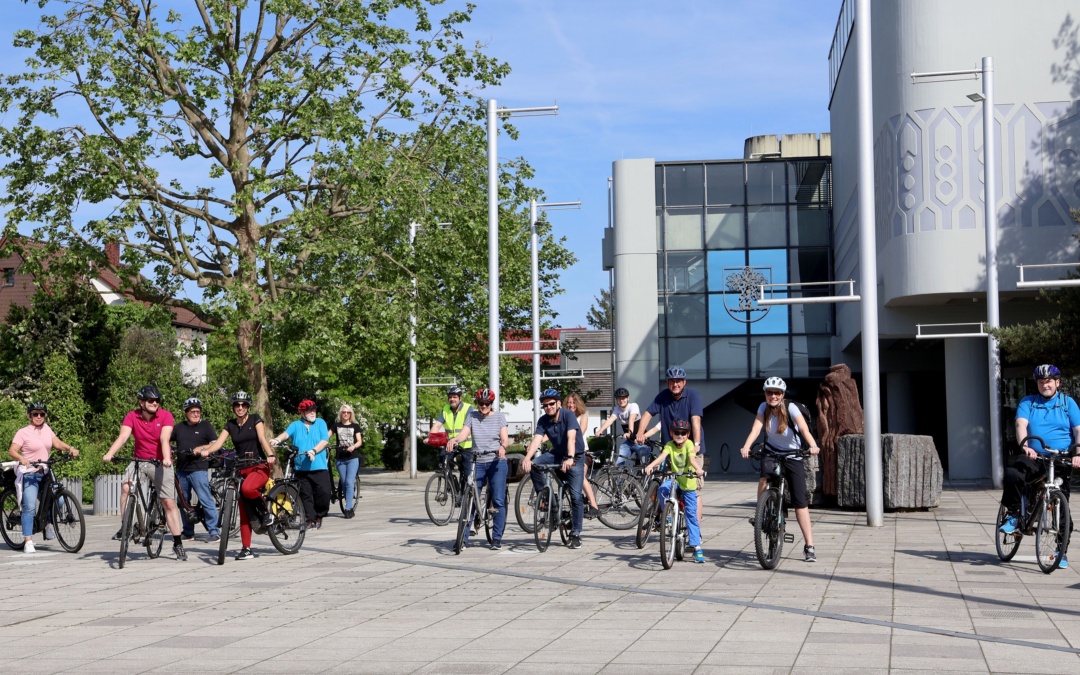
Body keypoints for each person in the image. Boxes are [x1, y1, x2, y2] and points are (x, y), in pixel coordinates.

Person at [999, 364, 1080, 568]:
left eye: (1049, 381)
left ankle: (1061, 551)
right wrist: (1025, 445)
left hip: (1060, 458)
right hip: (1034, 456)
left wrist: (1078, 453)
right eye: (1042, 382)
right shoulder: (1028, 402)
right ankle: (1013, 514)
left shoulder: (1067, 403)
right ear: (1037, 384)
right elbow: (1021, 425)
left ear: (1057, 383)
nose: (1046, 385)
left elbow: (1078, 430)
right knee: (1013, 474)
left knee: (1063, 507)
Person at [739, 376, 820, 563]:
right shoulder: (763, 407)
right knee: (764, 479)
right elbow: (755, 430)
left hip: (793, 454)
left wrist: (813, 446)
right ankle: (761, 513)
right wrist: (746, 446)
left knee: (800, 502)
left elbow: (804, 429)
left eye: (776, 393)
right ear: (765, 394)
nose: (773, 396)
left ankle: (809, 546)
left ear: (782, 394)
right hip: (772, 452)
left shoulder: (790, 408)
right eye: (769, 393)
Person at [103, 385, 187, 561]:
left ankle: (178, 542)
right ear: (142, 402)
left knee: (168, 502)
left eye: (157, 400)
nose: (154, 403)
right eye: (150, 400)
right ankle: (126, 526)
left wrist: (166, 459)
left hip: (160, 462)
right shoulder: (132, 416)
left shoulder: (165, 416)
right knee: (126, 487)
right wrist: (110, 453)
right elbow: (123, 437)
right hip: (139, 461)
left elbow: (164, 439)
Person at [199, 391, 276, 560]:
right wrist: (205, 451)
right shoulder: (230, 425)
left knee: (248, 489)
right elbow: (218, 443)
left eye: (243, 405)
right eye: (237, 405)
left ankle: (265, 513)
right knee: (244, 508)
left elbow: (262, 439)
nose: (240, 408)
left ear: (248, 407)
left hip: (258, 466)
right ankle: (246, 549)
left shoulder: (255, 419)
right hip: (241, 469)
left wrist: (270, 454)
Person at [7, 402, 79, 553]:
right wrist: (22, 459)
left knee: (58, 499)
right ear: (30, 415)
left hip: (45, 471)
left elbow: (56, 443)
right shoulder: (23, 432)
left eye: (42, 414)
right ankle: (28, 540)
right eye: (35, 414)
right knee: (30, 505)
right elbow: (12, 450)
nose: (38, 417)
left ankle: (46, 523)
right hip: (30, 473)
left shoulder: (47, 429)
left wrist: (70, 448)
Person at [636, 366, 706, 521]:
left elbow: (696, 419)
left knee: (693, 491)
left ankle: (695, 530)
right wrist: (640, 432)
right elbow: (648, 413)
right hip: (670, 450)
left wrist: (696, 442)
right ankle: (667, 520)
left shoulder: (692, 395)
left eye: (678, 381)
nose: (675, 384)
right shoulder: (663, 396)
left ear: (684, 382)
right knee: (668, 485)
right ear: (667, 383)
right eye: (672, 381)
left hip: (691, 450)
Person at [522, 388, 585, 549]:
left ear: (558, 403)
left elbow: (571, 437)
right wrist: (528, 458)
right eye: (545, 405)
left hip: (575, 456)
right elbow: (537, 440)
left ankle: (576, 533)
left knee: (576, 496)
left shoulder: (568, 415)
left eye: (551, 404)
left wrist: (570, 458)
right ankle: (546, 499)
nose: (548, 407)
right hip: (556, 454)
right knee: (535, 465)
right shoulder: (543, 420)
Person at [448, 388, 509, 550]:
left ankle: (496, 538)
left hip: (496, 461)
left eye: (486, 404)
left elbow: (505, 438)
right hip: (477, 461)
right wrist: (455, 440)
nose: (483, 406)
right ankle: (462, 539)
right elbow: (464, 434)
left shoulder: (499, 417)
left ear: (491, 404)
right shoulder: (472, 416)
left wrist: (503, 447)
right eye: (481, 403)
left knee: (497, 499)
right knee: (471, 499)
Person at [643, 418, 705, 563]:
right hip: (676, 479)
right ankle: (668, 514)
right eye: (677, 432)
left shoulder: (689, 444)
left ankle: (696, 547)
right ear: (671, 433)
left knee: (691, 514)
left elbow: (692, 459)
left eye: (683, 433)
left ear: (688, 434)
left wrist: (698, 470)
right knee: (663, 489)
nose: (680, 435)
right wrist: (650, 466)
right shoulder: (670, 445)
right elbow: (662, 457)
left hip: (688, 482)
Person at [270, 400, 330, 530]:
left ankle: (319, 515)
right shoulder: (296, 425)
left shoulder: (320, 423)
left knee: (324, 494)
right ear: (302, 413)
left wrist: (314, 451)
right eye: (309, 410)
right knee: (305, 495)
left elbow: (325, 440)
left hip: (319, 466)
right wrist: (277, 439)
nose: (312, 412)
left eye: (314, 410)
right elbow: (286, 434)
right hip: (301, 467)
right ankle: (310, 520)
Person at [172, 397, 221, 543]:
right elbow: (167, 439)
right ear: (186, 413)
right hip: (181, 470)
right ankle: (188, 532)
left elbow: (215, 443)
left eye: (198, 411)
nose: (195, 414)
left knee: (205, 500)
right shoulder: (179, 427)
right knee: (183, 502)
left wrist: (202, 449)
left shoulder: (206, 426)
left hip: (198, 469)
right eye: (192, 411)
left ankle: (214, 532)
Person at [595, 387, 661, 467]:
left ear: (628, 398)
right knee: (619, 462)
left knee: (642, 465)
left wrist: (629, 432)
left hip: (641, 441)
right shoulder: (617, 410)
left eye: (623, 398)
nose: (621, 400)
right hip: (629, 441)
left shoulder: (633, 406)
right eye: (619, 399)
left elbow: (631, 419)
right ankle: (617, 479)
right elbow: (610, 420)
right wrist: (600, 431)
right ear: (616, 400)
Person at [428, 385, 473, 484]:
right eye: (450, 397)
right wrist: (430, 438)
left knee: (467, 474)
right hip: (450, 444)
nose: (452, 399)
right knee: (443, 460)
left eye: (455, 397)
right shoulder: (445, 409)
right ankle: (451, 484)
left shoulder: (468, 408)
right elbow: (436, 426)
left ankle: (466, 495)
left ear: (460, 398)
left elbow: (468, 427)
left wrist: (457, 439)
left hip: (466, 445)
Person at [565, 393, 600, 517]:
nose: (571, 405)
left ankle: (594, 505)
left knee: (580, 477)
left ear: (578, 404)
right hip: (568, 452)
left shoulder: (582, 417)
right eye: (569, 402)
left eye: (573, 403)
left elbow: (581, 430)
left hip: (581, 452)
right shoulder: (564, 417)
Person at [331, 404, 363, 519]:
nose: (345, 414)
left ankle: (348, 508)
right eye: (344, 412)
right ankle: (348, 496)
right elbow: (326, 436)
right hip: (340, 459)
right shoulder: (336, 426)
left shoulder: (355, 426)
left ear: (351, 414)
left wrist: (353, 446)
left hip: (352, 458)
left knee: (349, 482)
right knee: (344, 483)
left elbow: (359, 441)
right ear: (340, 413)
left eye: (348, 412)